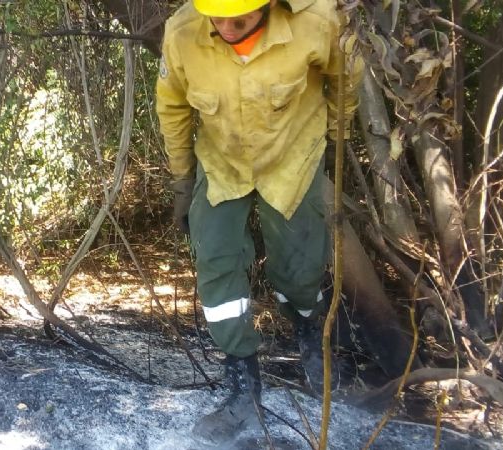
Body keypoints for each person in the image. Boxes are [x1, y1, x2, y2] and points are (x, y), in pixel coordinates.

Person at [156, 0, 363, 444]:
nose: (227, 28)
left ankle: (309, 328)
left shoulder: (318, 21)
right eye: (218, 18)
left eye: (241, 20)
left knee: (300, 268)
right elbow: (172, 108)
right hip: (222, 162)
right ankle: (242, 380)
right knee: (215, 261)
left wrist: (337, 140)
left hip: (292, 158)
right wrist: (181, 180)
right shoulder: (182, 33)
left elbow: (345, 79)